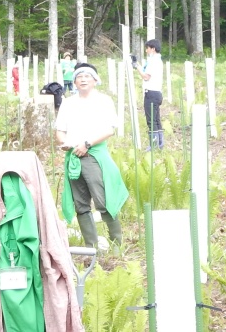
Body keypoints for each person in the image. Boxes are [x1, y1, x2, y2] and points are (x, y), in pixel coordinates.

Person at [55, 63, 128, 250]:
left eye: (88, 76)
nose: (83, 79)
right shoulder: (69, 103)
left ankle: (116, 243)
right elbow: (60, 130)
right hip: (73, 157)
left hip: (94, 155)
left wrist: (87, 144)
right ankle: (91, 246)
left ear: (95, 80)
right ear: (74, 81)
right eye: (79, 77)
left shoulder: (103, 101)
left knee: (102, 200)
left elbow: (109, 129)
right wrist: (65, 144)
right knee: (81, 203)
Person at [136, 39, 164, 149]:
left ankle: (153, 145)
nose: (146, 50)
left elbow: (146, 76)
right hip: (157, 93)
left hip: (151, 93)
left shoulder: (153, 61)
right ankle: (160, 143)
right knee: (156, 119)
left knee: (151, 120)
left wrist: (137, 67)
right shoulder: (158, 61)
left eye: (147, 48)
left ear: (153, 49)